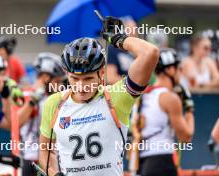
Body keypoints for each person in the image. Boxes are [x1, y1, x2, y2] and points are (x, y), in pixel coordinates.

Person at [38, 16, 159, 176]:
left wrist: (119, 39)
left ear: (102, 73)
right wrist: (54, 174)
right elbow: (46, 152)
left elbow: (150, 52)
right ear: (66, 74)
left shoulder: (117, 96)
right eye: (75, 78)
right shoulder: (54, 103)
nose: (81, 86)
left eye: (88, 78)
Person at [131, 48, 195, 176]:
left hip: (142, 162)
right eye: (179, 69)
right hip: (162, 161)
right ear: (170, 69)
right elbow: (186, 137)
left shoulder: (144, 95)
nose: (181, 73)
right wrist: (189, 109)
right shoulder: (170, 98)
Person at [18, 52, 65, 176]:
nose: (59, 86)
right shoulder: (26, 94)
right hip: (31, 161)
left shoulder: (54, 98)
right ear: (45, 77)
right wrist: (32, 102)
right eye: (57, 81)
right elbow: (16, 122)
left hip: (51, 159)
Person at [107, 17, 137, 85]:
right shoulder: (112, 50)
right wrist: (133, 85)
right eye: (131, 32)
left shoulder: (134, 51)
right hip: (120, 91)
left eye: (135, 32)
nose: (134, 36)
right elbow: (111, 78)